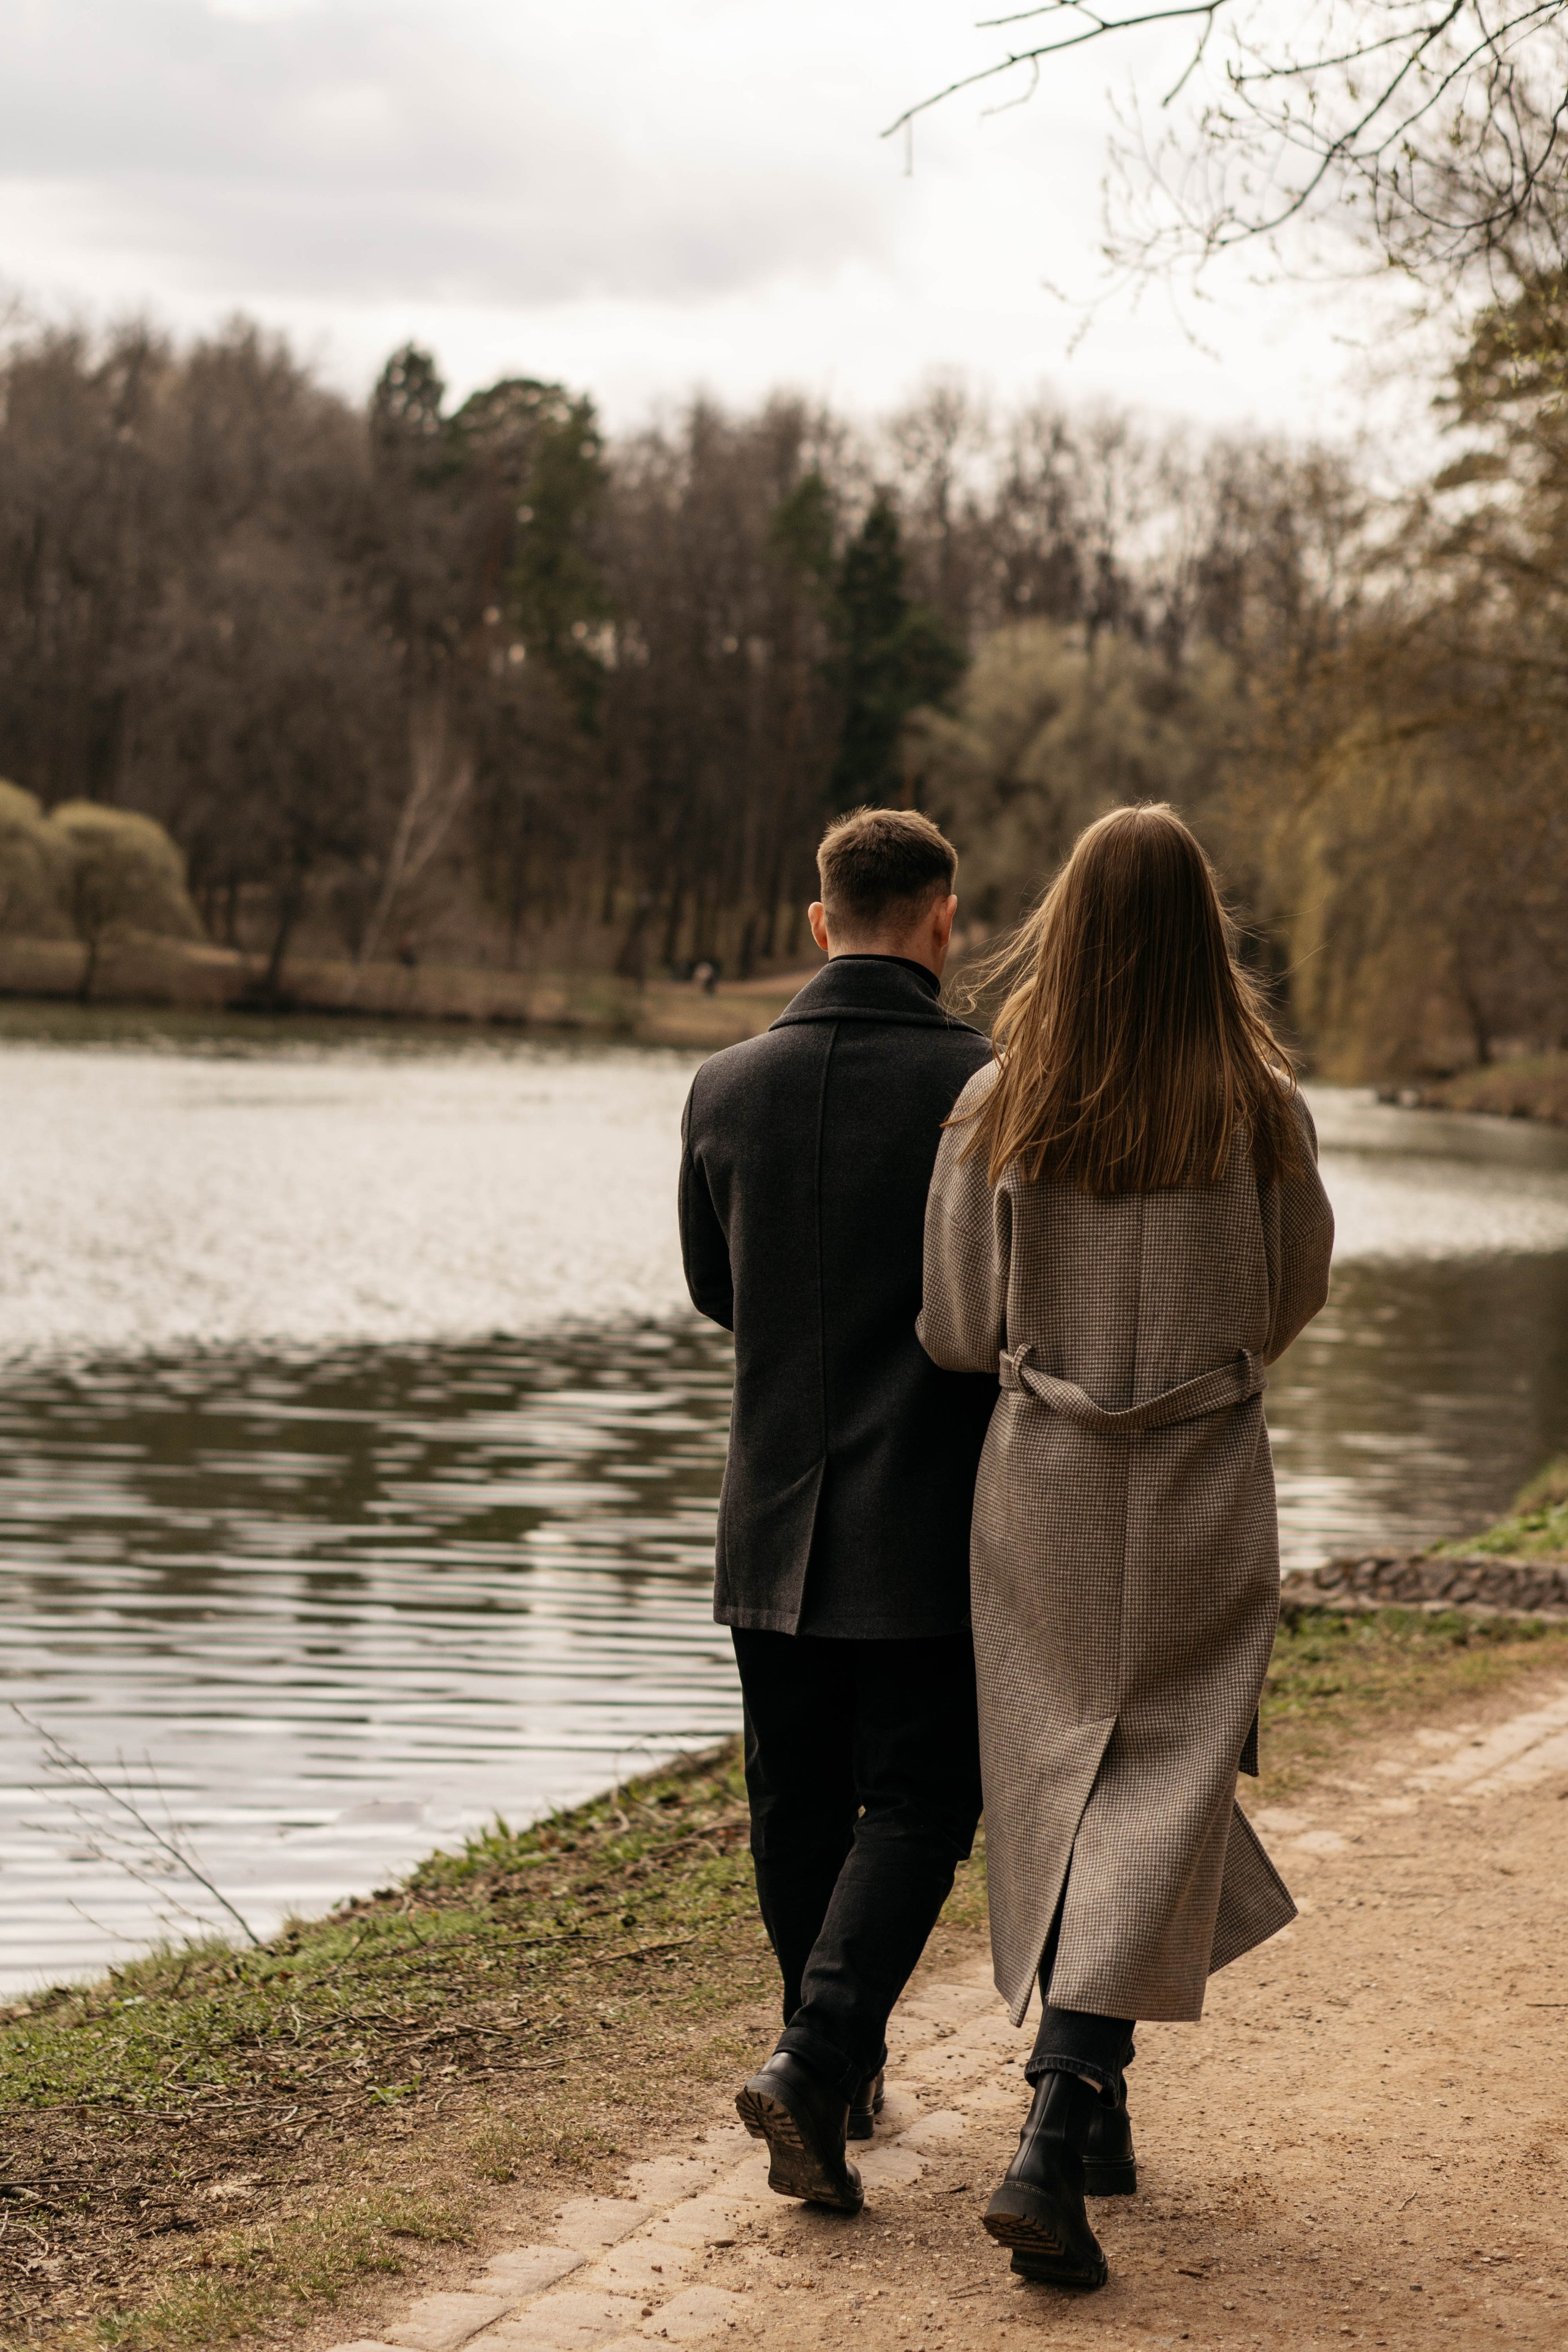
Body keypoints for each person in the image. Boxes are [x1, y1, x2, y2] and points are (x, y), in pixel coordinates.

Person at [919, 802, 1334, 2291]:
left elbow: (958, 1329)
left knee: (1064, 1772)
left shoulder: (997, 1108)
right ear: (1199, 932)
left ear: (1070, 929)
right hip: (1203, 1475)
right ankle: (1069, 2117)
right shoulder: (1261, 1109)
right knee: (1162, 1775)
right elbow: (1290, 1294)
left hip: (1044, 1477)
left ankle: (1069, 2108)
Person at [677, 807, 996, 2215]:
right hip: (921, 1514)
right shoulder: (987, 1084)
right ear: (942, 921)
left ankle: (835, 2070)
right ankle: (818, 2060)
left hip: (768, 1512)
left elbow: (713, 1291)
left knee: (793, 1797)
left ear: (819, 922)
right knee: (922, 1796)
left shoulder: (721, 1085)